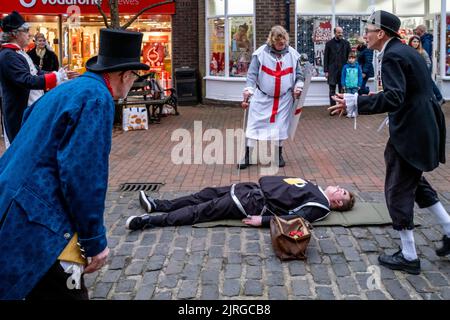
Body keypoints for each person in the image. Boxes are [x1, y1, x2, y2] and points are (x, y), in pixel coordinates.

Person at [0, 28, 150, 300]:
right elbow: (83, 174)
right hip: (40, 220)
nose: (133, 83)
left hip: (15, 204)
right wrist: (95, 242)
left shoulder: (72, 87)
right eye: (134, 76)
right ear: (124, 75)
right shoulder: (97, 98)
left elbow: (26, 122)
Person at [329, 10, 448, 275]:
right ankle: (449, 228)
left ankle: (409, 255)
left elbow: (394, 97)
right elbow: (411, 92)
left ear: (381, 33)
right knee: (414, 182)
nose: (365, 35)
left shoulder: (393, 55)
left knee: (396, 188)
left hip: (411, 131)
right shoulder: (404, 51)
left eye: (368, 30)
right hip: (421, 125)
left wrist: (356, 102)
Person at [126, 176, 355, 230]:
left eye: (342, 192)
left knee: (201, 211)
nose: (338, 187)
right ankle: (158, 204)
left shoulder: (320, 206)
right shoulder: (316, 187)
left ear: (336, 203)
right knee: (202, 195)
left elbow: (297, 220)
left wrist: (263, 220)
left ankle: (150, 221)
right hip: (250, 188)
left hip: (253, 203)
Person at [0, 11, 76, 148]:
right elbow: (27, 80)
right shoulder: (8, 55)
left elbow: (37, 72)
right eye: (26, 31)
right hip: (20, 115)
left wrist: (61, 76)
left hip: (30, 112)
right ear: (15, 34)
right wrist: (56, 77)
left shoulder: (19, 53)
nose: (29, 34)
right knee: (22, 153)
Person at [239, 25, 304, 169]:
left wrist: (298, 86)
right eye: (279, 43)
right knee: (253, 126)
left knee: (280, 127)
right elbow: (252, 74)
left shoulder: (292, 54)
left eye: (284, 42)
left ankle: (277, 155)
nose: (283, 45)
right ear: (272, 41)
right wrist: (249, 89)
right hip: (262, 98)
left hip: (283, 99)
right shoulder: (260, 54)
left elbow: (299, 75)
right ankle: (248, 156)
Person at [414, 24, 444, 104]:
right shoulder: (423, 39)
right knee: (428, 80)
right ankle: (435, 97)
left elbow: (424, 53)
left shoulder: (426, 40)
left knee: (428, 81)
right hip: (425, 63)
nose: (416, 32)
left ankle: (439, 97)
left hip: (426, 63)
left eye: (417, 30)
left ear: (421, 31)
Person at [323, 26, 351, 111]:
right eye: (339, 32)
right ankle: (332, 108)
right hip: (332, 70)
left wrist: (349, 69)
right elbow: (326, 58)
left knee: (342, 90)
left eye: (341, 32)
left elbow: (349, 57)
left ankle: (342, 109)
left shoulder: (346, 43)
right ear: (335, 33)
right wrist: (326, 71)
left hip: (343, 70)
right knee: (332, 90)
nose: (341, 34)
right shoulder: (329, 44)